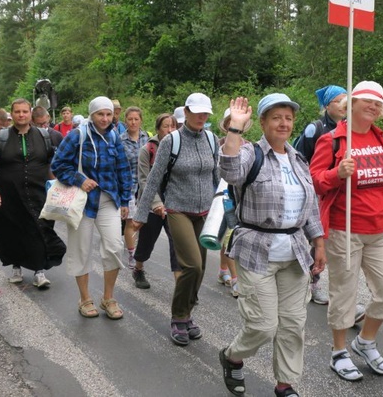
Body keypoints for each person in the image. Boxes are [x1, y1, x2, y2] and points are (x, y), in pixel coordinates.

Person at [309, 80, 383, 381]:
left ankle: (365, 341)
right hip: (343, 229)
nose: (374, 107)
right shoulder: (333, 140)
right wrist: (337, 173)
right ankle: (338, 353)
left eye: (378, 103)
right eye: (367, 101)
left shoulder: (382, 139)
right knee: (343, 295)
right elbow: (315, 181)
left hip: (379, 230)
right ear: (353, 105)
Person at [218, 94, 326, 397]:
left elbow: (311, 206)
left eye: (289, 118)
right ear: (263, 122)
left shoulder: (298, 159)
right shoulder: (251, 153)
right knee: (264, 326)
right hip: (257, 251)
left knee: (292, 325)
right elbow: (229, 171)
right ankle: (232, 356)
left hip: (294, 253)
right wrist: (235, 129)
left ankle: (285, 385)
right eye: (276, 117)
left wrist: (318, 241)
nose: (284, 123)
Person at [133, 92, 218, 346]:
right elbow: (154, 178)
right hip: (177, 209)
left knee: (201, 269)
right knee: (191, 265)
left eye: (206, 113)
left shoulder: (213, 140)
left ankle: (187, 314)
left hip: (205, 212)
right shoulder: (172, 141)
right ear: (186, 112)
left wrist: (224, 213)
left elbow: (218, 178)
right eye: (197, 112)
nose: (202, 116)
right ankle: (179, 317)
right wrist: (141, 214)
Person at [51, 96, 132, 320]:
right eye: (100, 114)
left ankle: (108, 298)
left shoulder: (114, 135)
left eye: (108, 114)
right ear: (91, 114)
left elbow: (123, 168)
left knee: (115, 247)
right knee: (81, 249)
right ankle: (85, 299)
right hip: (82, 202)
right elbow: (57, 165)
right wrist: (79, 179)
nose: (105, 118)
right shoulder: (78, 135)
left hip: (109, 200)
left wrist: (126, 200)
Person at [0, 99, 66, 288]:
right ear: (12, 114)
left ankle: (39, 271)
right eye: (18, 112)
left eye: (25, 111)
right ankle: (16, 267)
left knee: (40, 230)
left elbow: (51, 166)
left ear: (30, 114)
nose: (21, 115)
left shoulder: (45, 137)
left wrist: (57, 190)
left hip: (38, 194)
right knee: (12, 232)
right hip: (8, 196)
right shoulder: (0, 138)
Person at [294, 84, 346, 306]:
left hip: (335, 193)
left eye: (347, 101)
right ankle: (296, 281)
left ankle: (314, 283)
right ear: (327, 105)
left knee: (321, 240)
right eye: (340, 101)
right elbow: (297, 158)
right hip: (312, 191)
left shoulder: (351, 128)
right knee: (305, 236)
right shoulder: (315, 129)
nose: (345, 106)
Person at [131, 113, 180, 289]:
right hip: (152, 204)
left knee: (177, 244)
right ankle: (138, 268)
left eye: (173, 126)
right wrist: (157, 203)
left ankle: (180, 285)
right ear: (158, 128)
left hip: (174, 204)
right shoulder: (147, 150)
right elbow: (145, 181)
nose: (169, 130)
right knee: (147, 241)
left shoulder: (180, 147)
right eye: (166, 126)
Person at [216, 108, 253, 298]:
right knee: (229, 236)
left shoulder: (249, 147)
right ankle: (235, 278)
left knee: (229, 235)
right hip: (220, 199)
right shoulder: (217, 146)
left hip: (239, 199)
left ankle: (224, 270)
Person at [121, 106, 150, 269]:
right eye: (130, 119)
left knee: (144, 222)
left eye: (136, 119)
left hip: (146, 186)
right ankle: (132, 254)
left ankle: (139, 250)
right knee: (131, 222)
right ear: (125, 120)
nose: (133, 122)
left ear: (141, 120)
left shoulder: (147, 138)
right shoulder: (120, 140)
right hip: (129, 186)